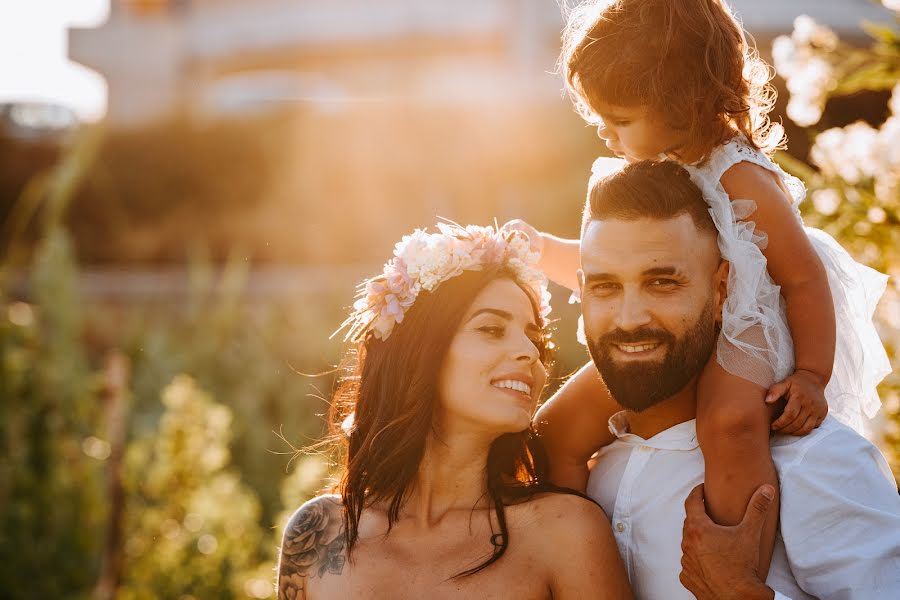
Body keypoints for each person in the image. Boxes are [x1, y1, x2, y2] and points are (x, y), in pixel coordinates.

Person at [509, 0, 891, 579]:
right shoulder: (642, 173)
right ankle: (575, 560)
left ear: (681, 99)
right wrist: (536, 248)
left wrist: (811, 373)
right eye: (598, 122)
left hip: (749, 320)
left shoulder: (739, 175)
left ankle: (734, 567)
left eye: (619, 118)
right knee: (556, 425)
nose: (608, 135)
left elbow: (804, 279)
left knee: (729, 424)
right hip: (679, 327)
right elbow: (610, 273)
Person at [578, 160, 900, 599]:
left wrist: (741, 593)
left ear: (722, 288)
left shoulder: (815, 462)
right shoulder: (590, 475)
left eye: (662, 282)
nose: (630, 318)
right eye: (605, 287)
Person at [276, 223, 633, 599]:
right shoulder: (318, 533)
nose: (530, 353)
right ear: (421, 351)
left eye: (536, 340)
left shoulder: (565, 533)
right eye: (492, 329)